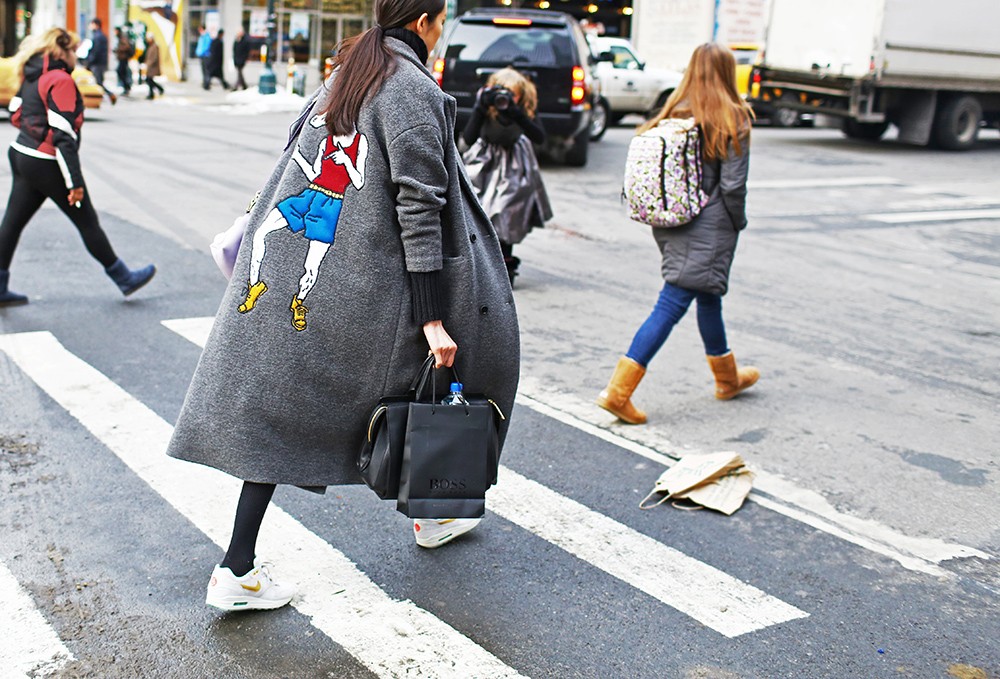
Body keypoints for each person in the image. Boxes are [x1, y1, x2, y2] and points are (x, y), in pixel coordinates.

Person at [166, 0, 519, 611]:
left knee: (282, 413)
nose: (441, 32)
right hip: (366, 290)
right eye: (440, 22)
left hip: (316, 281)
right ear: (425, 23)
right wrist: (433, 317)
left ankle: (244, 565)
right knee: (453, 376)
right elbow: (420, 208)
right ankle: (245, 566)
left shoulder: (351, 72)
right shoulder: (409, 88)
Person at [596, 43, 758, 424]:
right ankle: (618, 392)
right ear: (727, 73)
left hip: (672, 218)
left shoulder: (675, 110)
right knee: (672, 301)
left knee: (708, 294)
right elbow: (733, 186)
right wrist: (737, 222)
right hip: (710, 222)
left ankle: (727, 379)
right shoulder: (733, 115)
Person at [0, 28, 156, 307]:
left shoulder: (32, 74)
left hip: (22, 154)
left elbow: (16, 112)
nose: (76, 56)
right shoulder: (60, 80)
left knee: (12, 223)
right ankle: (123, 277)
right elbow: (63, 137)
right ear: (63, 51)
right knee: (87, 221)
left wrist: (34, 132)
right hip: (46, 162)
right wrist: (75, 183)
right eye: (74, 50)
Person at [461, 67, 551, 285]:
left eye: (512, 94)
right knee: (479, 209)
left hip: (514, 163)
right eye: (501, 92)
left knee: (507, 211)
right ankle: (482, 262)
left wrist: (518, 114)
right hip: (485, 163)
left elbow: (540, 137)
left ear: (522, 95)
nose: (505, 98)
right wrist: (480, 108)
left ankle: (505, 262)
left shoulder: (523, 110)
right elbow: (468, 138)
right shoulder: (487, 107)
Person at [83, 18, 116, 105]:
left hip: (97, 63)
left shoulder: (97, 36)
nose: (90, 26)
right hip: (100, 63)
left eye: (91, 24)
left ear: (96, 25)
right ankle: (107, 95)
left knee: (98, 82)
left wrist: (89, 62)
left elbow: (95, 52)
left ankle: (109, 95)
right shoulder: (100, 36)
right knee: (98, 81)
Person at [143, 33, 164, 99]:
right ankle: (156, 90)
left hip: (153, 67)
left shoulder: (155, 46)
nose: (147, 40)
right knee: (149, 80)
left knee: (149, 80)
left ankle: (153, 93)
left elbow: (154, 57)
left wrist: (148, 63)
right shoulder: (150, 46)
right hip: (150, 66)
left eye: (149, 39)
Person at [113, 27, 133, 94]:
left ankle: (127, 86)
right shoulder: (120, 38)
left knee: (121, 72)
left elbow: (126, 47)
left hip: (124, 58)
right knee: (121, 72)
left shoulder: (123, 37)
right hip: (122, 58)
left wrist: (118, 49)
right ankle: (126, 87)